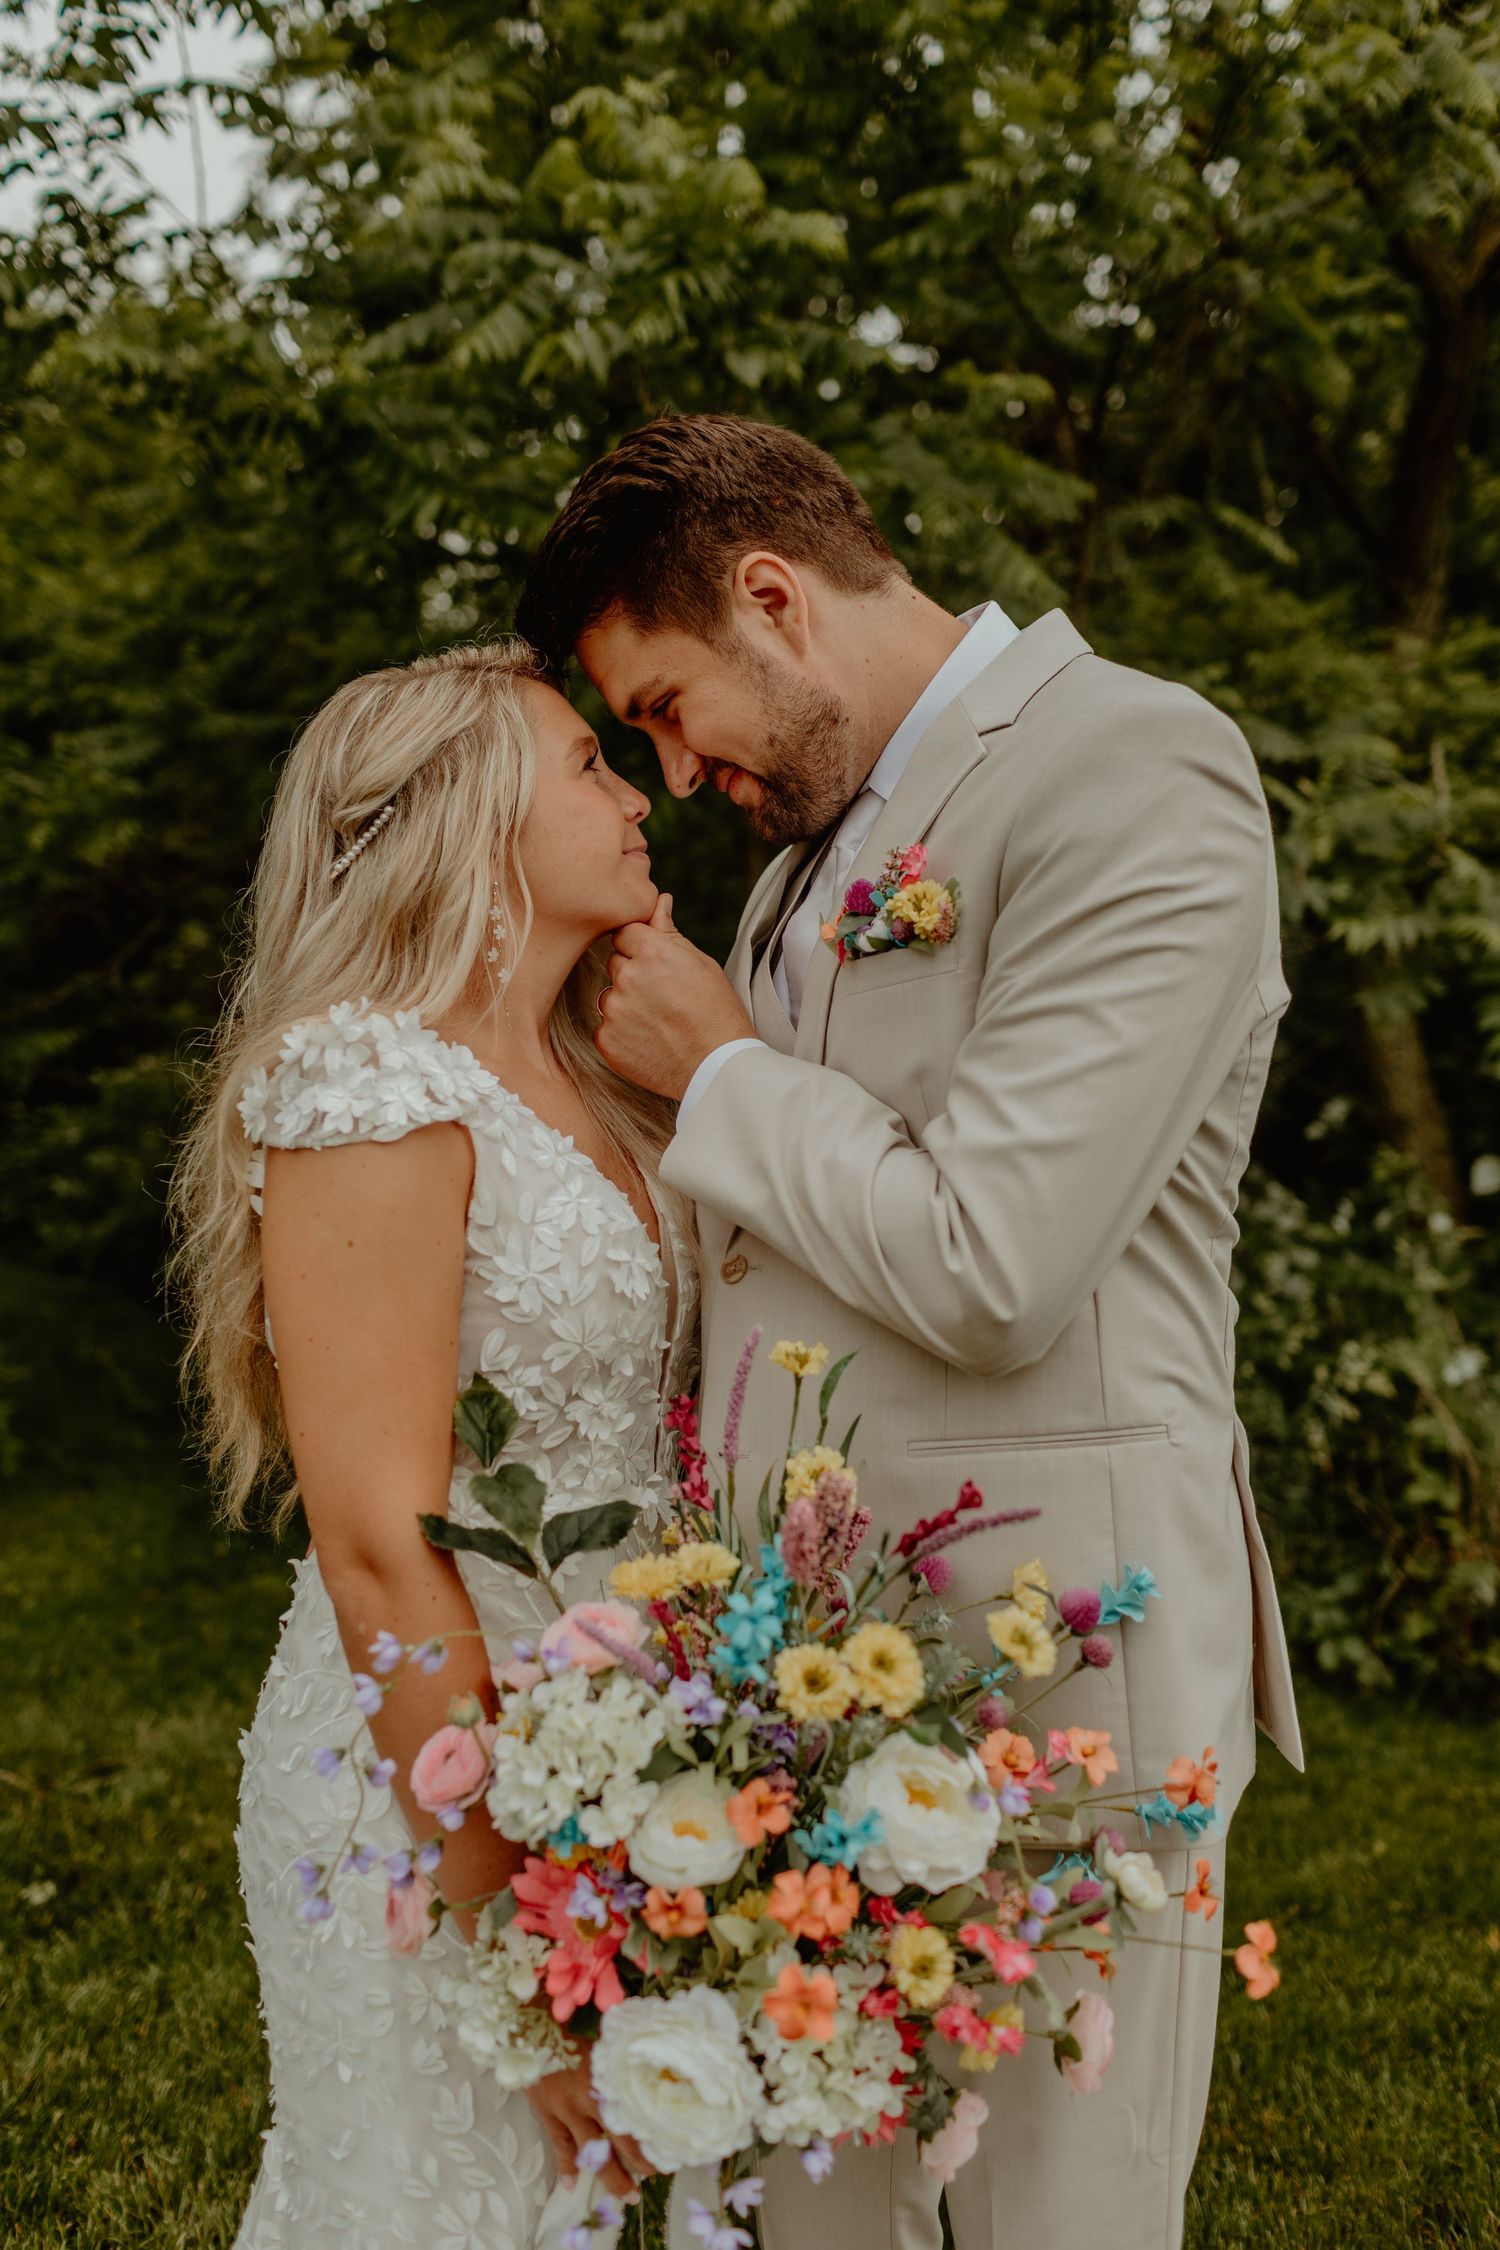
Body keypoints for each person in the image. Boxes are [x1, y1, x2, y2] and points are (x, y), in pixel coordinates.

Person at [516, 415, 1304, 2250]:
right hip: (806, 1684)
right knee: (826, 2209)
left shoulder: (1134, 767)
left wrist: (722, 1069)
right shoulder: (801, 859)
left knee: (1052, 2217)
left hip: (1061, 1668)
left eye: (666, 705)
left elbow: (997, 1258)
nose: (674, 769)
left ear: (774, 596)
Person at [169, 639, 694, 2248]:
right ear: (470, 816)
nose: (637, 792)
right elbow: (376, 1543)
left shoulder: (602, 1068)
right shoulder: (366, 1081)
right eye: (588, 764)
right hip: (427, 1788)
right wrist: (521, 1941)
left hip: (616, 1749)